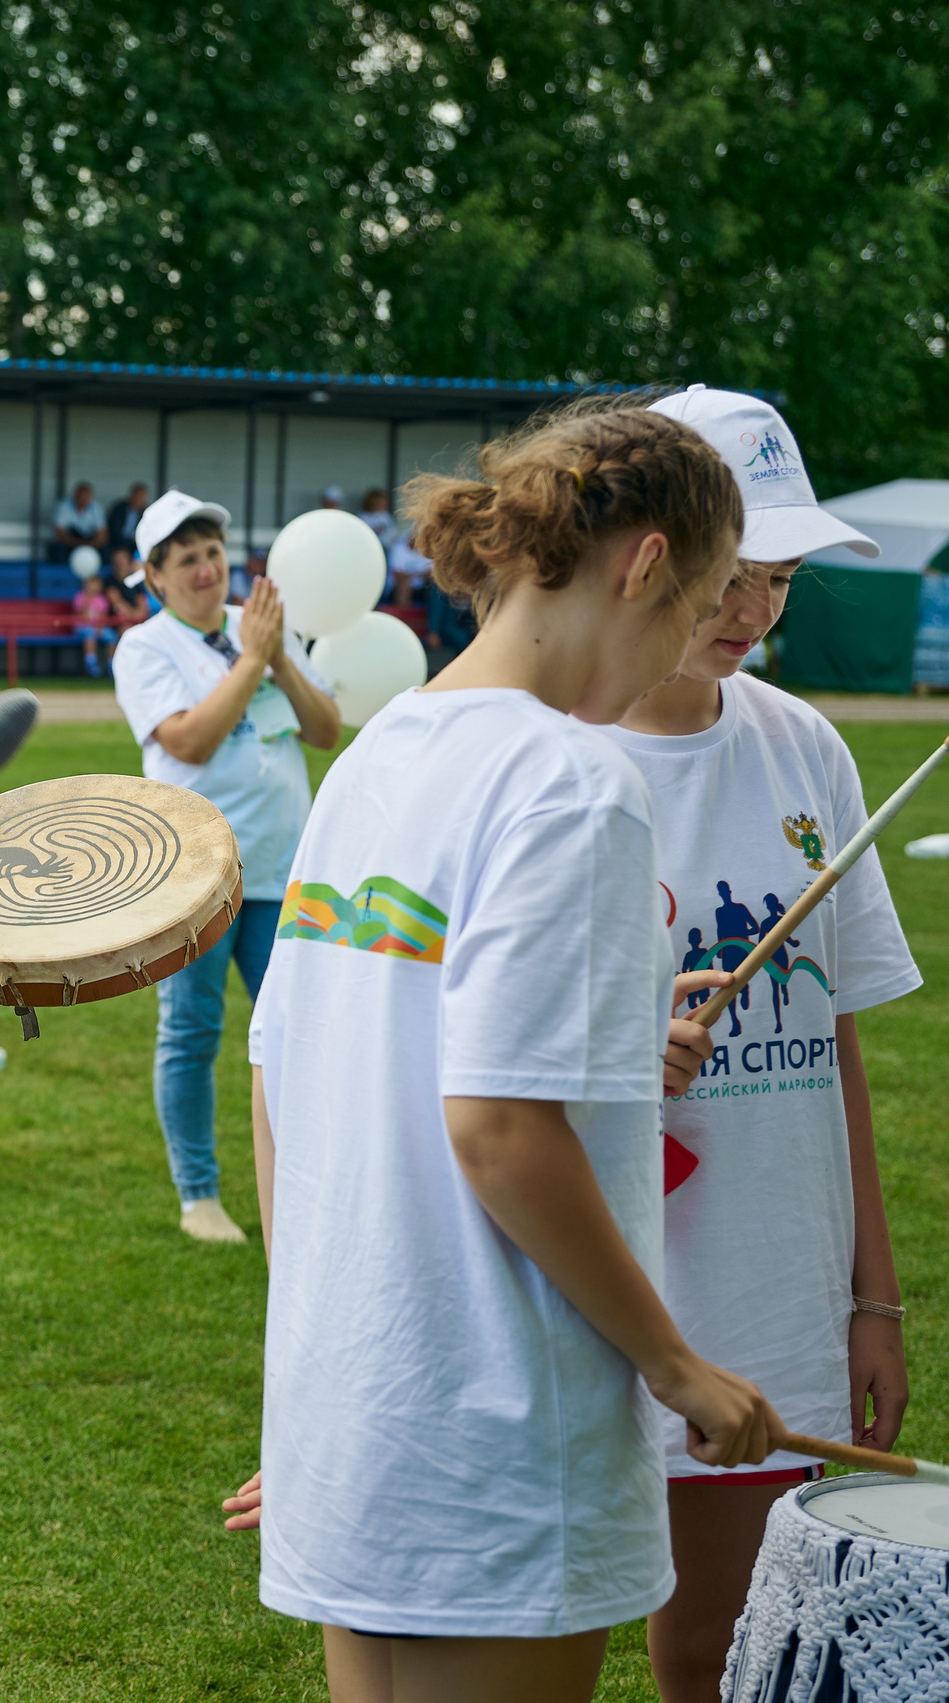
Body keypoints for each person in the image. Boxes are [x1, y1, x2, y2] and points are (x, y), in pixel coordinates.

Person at [231, 400, 776, 1703]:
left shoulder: (375, 758)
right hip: (499, 1434)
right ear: (644, 563)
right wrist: (676, 1360)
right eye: (694, 603)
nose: (670, 661)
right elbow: (498, 1123)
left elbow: (281, 1077)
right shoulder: (573, 782)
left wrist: (318, 1359)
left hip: (359, 1411)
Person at [600, 386, 916, 1703]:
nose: (756, 610)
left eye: (780, 577)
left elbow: (834, 1039)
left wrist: (872, 1295)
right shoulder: (560, 757)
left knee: (743, 1646)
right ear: (651, 554)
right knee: (637, 1626)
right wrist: (625, 1056)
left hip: (779, 1276)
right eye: (735, 575)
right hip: (619, 1277)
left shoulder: (809, 750)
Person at [110, 491, 338, 1243]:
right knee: (193, 1031)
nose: (207, 570)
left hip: (284, 866)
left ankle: (312, 1182)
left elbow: (325, 728)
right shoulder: (145, 647)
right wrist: (252, 660)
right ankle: (199, 1195)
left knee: (301, 1033)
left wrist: (275, 656)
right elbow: (189, 740)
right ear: (154, 575)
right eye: (187, 560)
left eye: (213, 554)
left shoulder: (258, 624)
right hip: (196, 878)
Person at [51, 479, 104, 561]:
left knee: (105, 549)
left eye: (86, 496)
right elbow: (60, 533)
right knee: (58, 549)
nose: (83, 499)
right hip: (70, 541)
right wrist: (79, 544)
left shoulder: (96, 507)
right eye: (81, 496)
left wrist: (89, 544)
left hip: (90, 541)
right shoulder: (64, 506)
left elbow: (102, 534)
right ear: (75, 495)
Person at [104, 480, 150, 557]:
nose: (139, 499)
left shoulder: (146, 514)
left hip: (135, 545)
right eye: (137, 496)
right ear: (131, 495)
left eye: (142, 497)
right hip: (116, 543)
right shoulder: (119, 508)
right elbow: (113, 530)